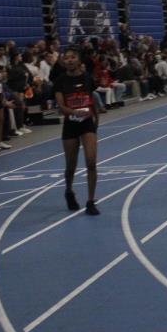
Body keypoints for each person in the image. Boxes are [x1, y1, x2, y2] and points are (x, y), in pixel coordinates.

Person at [53, 49, 100, 216]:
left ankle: (90, 201)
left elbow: (92, 100)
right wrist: (74, 112)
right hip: (71, 124)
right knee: (70, 166)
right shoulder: (60, 81)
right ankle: (69, 190)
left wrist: (96, 120)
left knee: (91, 162)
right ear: (63, 62)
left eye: (73, 57)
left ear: (79, 60)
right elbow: (61, 107)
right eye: (66, 58)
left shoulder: (87, 78)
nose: (70, 60)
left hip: (87, 123)